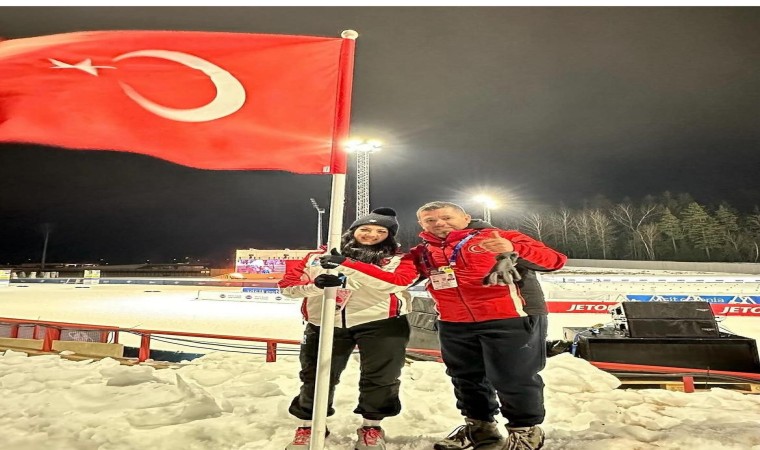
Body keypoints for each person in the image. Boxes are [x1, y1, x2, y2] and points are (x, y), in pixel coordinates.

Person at [410, 201, 567, 450]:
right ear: (421, 224)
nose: (439, 223)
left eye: (447, 217)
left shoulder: (499, 236)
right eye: (430, 220)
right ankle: (480, 428)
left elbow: (555, 261)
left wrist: (514, 249)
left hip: (510, 317)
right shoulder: (422, 251)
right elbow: (397, 277)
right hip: (453, 322)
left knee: (514, 377)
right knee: (465, 378)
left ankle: (525, 431)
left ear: (466, 218)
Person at [278, 207, 420, 450]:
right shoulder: (315, 257)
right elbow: (286, 287)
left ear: (390, 236)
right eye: (366, 228)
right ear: (352, 230)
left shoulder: (400, 259)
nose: (372, 234)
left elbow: (396, 283)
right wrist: (316, 287)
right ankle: (309, 425)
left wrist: (347, 265)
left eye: (381, 231)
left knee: (381, 377)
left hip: (381, 323)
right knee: (316, 375)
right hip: (324, 322)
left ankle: (371, 427)